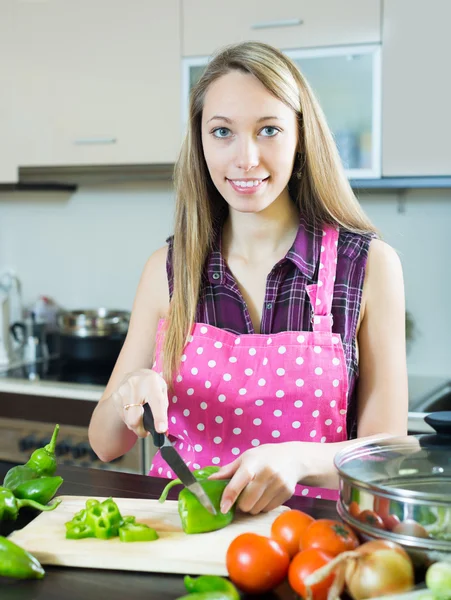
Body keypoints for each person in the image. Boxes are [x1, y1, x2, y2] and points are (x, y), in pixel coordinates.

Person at [88, 41, 408, 515]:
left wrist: (298, 459)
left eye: (269, 130)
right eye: (222, 132)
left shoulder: (368, 265)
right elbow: (104, 443)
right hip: (181, 538)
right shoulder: (168, 270)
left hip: (307, 544)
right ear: (200, 141)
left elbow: (384, 457)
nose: (246, 157)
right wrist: (129, 392)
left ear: (301, 138)